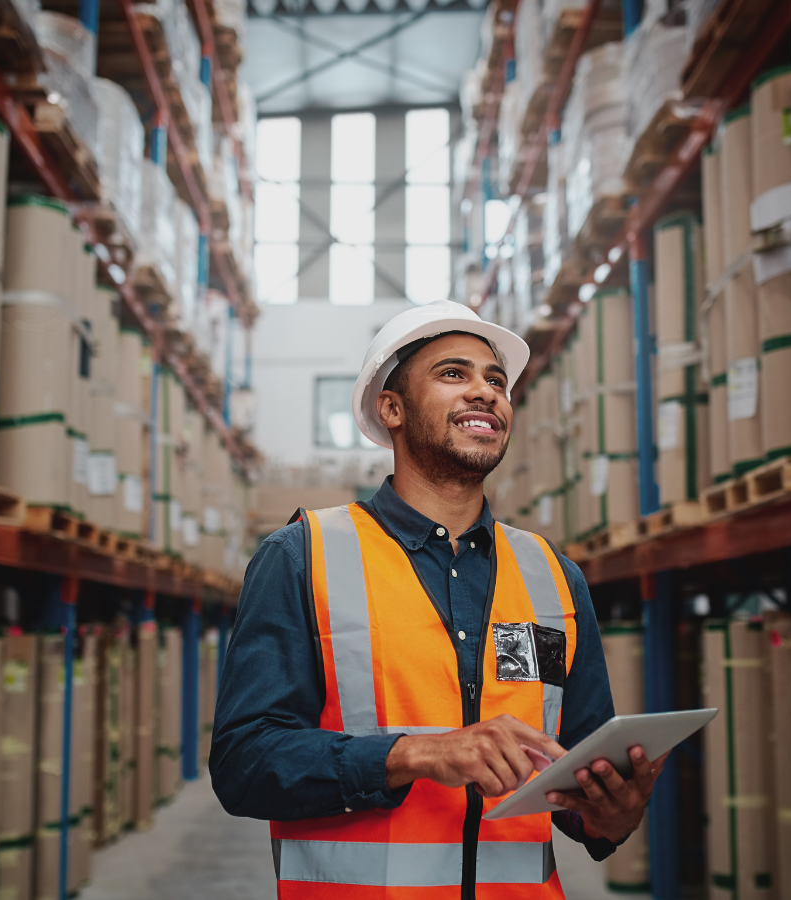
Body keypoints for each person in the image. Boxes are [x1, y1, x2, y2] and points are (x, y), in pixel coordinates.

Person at [210, 300, 665, 898]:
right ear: (391, 408)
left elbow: (576, 782)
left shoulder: (553, 576)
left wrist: (612, 815)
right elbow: (245, 763)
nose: (485, 391)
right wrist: (412, 756)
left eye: (496, 380)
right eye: (454, 374)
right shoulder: (304, 556)